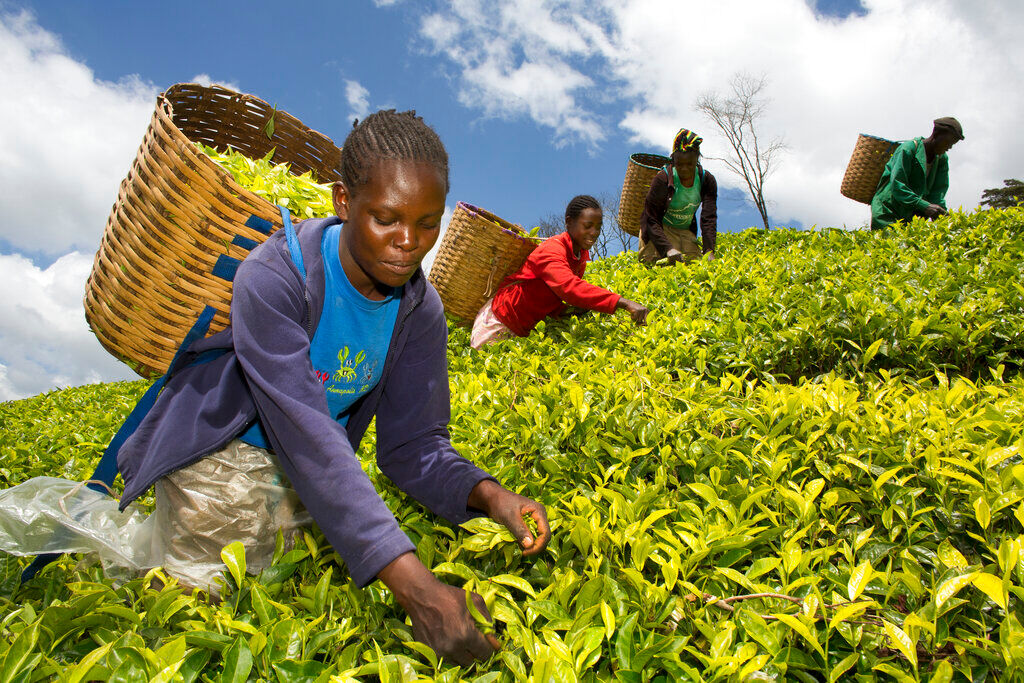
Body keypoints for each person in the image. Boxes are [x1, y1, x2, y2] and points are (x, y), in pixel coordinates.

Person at [117, 110, 551, 666]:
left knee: (283, 610)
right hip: (219, 453)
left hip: (306, 472)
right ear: (343, 202)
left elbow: (414, 445)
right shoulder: (274, 276)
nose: (408, 243)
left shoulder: (420, 311)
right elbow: (307, 434)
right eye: (385, 219)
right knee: (195, 619)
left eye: (427, 224)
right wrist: (418, 590)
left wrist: (490, 496)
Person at [471, 195, 649, 349]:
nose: (594, 232)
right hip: (499, 321)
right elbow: (569, 288)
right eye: (588, 225)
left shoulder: (579, 257)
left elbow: (551, 292)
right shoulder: (552, 249)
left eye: (598, 227)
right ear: (569, 222)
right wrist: (624, 303)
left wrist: (564, 311)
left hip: (524, 330)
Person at [638, 128, 718, 265]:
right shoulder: (663, 179)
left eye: (690, 164)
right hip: (659, 228)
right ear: (673, 160)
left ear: (697, 160)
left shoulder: (706, 180)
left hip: (684, 230)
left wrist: (709, 250)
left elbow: (708, 218)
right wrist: (668, 249)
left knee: (694, 265)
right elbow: (651, 219)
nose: (684, 169)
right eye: (680, 164)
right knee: (655, 264)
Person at [871, 117, 964, 230]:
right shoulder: (908, 149)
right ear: (936, 133)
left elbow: (938, 192)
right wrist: (925, 206)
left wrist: (941, 215)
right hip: (888, 212)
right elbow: (898, 185)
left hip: (911, 217)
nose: (949, 147)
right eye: (948, 142)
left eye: (952, 144)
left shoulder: (941, 159)